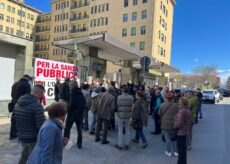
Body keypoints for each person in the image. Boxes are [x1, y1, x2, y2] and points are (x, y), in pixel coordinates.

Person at [14, 85, 46, 164]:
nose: (42, 96)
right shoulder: (37, 106)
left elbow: (15, 120)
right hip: (32, 138)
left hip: (22, 136)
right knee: (34, 159)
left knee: (24, 155)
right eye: (42, 94)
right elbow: (41, 126)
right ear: (39, 93)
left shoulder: (18, 103)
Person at [64, 81, 86, 149]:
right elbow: (84, 103)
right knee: (79, 130)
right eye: (69, 85)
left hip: (72, 114)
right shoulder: (81, 92)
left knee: (67, 128)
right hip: (79, 115)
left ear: (74, 85)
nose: (69, 86)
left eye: (70, 85)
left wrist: (67, 108)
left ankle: (65, 142)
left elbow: (71, 104)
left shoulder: (72, 93)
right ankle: (79, 144)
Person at [9, 75, 31, 140]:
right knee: (23, 120)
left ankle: (13, 135)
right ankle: (21, 135)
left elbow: (12, 95)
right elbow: (28, 96)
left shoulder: (15, 84)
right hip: (23, 105)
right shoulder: (26, 84)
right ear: (27, 78)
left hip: (14, 104)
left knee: (14, 120)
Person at [158, 91, 179, 157]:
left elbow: (159, 114)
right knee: (174, 139)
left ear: (166, 98)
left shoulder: (162, 105)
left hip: (165, 124)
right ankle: (176, 152)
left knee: (167, 138)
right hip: (174, 124)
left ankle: (169, 151)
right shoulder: (176, 105)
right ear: (172, 98)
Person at [174, 97, 191, 164]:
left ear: (182, 103)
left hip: (180, 132)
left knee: (181, 151)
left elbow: (179, 123)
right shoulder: (187, 110)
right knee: (183, 151)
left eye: (179, 101)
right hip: (185, 131)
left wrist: (174, 127)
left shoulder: (182, 111)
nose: (178, 103)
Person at [116, 85, 133, 150]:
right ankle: (127, 144)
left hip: (120, 115)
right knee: (127, 130)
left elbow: (117, 105)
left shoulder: (119, 97)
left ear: (122, 90)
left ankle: (120, 144)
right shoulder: (131, 97)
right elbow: (131, 105)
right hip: (128, 115)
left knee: (120, 130)